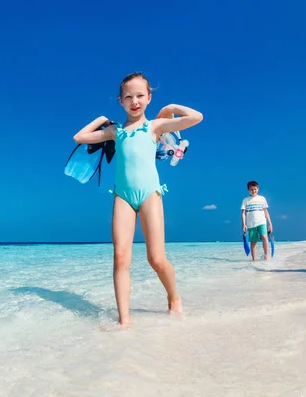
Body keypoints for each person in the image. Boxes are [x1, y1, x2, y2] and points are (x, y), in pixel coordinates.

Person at [72, 72, 203, 327]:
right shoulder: (115, 131)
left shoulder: (155, 126)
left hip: (150, 194)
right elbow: (80, 137)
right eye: (128, 97)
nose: (135, 101)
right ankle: (125, 320)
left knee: (156, 259)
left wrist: (171, 108)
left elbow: (196, 117)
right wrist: (101, 120)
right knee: (120, 257)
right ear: (120, 101)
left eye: (140, 96)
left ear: (149, 98)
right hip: (122, 196)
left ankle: (174, 297)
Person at [241, 180, 273, 260]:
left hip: (262, 222)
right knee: (253, 241)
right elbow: (243, 213)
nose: (253, 191)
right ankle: (254, 259)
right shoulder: (246, 200)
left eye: (255, 189)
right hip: (251, 224)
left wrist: (270, 223)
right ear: (248, 190)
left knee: (264, 237)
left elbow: (266, 211)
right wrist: (244, 224)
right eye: (251, 189)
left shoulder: (262, 199)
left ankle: (267, 255)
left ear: (258, 189)